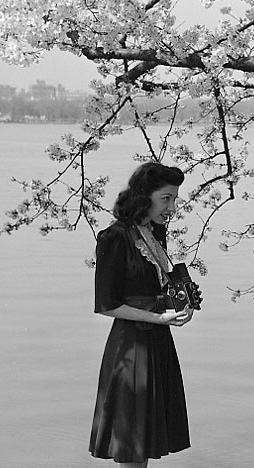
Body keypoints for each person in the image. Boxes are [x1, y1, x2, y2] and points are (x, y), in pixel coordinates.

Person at [89, 162, 194, 468]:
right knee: (133, 449)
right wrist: (158, 319)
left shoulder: (154, 232)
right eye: (166, 198)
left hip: (158, 344)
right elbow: (107, 305)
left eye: (175, 199)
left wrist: (179, 303)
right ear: (144, 196)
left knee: (145, 445)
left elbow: (155, 287)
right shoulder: (114, 238)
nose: (172, 207)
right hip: (132, 348)